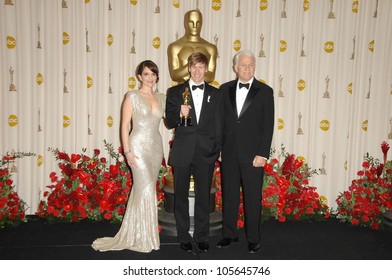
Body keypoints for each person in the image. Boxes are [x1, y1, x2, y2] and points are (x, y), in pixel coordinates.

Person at [92, 60, 166, 253]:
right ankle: (143, 237)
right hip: (138, 147)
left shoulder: (162, 97)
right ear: (139, 76)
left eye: (153, 74)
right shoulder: (132, 96)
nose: (150, 78)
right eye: (147, 74)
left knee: (143, 190)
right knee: (145, 189)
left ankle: (139, 233)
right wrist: (127, 151)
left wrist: (183, 112)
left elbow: (171, 121)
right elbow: (124, 126)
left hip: (156, 147)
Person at [217, 50, 274, 253]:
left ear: (255, 67)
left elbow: (268, 126)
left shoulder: (265, 91)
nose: (247, 68)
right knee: (229, 196)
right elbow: (220, 122)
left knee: (252, 197)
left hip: (253, 156)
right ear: (235, 67)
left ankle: (253, 238)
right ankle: (229, 234)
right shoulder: (224, 90)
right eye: (243, 65)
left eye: (251, 65)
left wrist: (263, 153)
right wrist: (220, 148)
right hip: (229, 152)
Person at [165, 52, 222, 253]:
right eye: (194, 67)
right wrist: (181, 114)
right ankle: (183, 236)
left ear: (206, 69)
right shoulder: (174, 91)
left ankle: (202, 236)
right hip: (182, 151)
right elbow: (169, 122)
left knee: (203, 197)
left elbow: (218, 125)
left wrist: (219, 149)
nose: (197, 71)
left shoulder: (215, 94)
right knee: (180, 196)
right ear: (189, 68)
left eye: (201, 67)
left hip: (206, 152)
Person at [167, 9, 218, 83]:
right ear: (185, 23)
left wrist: (190, 74)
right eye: (191, 22)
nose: (195, 26)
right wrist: (193, 65)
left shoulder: (211, 48)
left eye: (198, 23)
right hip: (181, 91)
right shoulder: (175, 47)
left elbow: (211, 77)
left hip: (204, 92)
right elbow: (174, 75)